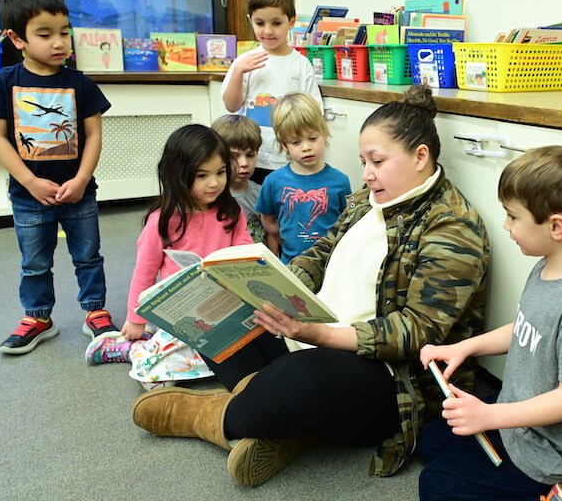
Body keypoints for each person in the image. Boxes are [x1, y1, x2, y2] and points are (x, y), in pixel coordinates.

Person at [130, 84, 490, 487]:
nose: (367, 173)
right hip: (313, 333)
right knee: (217, 322)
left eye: (377, 161)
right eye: (363, 161)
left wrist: (321, 335)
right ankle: (285, 423)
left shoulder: (453, 228)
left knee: (303, 377)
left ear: (420, 157)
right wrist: (272, 285)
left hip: (387, 378)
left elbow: (418, 332)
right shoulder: (366, 200)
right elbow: (319, 253)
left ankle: (212, 416)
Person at [417, 146, 562, 501]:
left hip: (549, 452)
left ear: (556, 226)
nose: (506, 226)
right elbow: (524, 328)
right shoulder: (546, 265)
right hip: (516, 419)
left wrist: (489, 416)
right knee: (431, 441)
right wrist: (465, 347)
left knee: (434, 486)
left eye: (513, 217)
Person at [85, 124, 288, 389]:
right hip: (182, 316)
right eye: (202, 175)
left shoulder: (231, 212)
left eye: (220, 172)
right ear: (178, 175)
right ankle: (130, 348)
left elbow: (244, 255)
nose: (214, 183)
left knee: (264, 348)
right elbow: (144, 273)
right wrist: (136, 321)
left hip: (227, 309)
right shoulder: (162, 222)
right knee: (166, 370)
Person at [0, 0, 119, 355]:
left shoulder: (80, 83)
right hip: (28, 196)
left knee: (88, 256)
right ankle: (38, 317)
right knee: (35, 261)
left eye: (64, 32)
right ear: (16, 38)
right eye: (45, 34)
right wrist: (30, 181)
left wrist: (82, 178)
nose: (59, 42)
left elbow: (93, 135)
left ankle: (95, 312)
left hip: (79, 192)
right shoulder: (4, 83)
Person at [220, 0, 322, 183]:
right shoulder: (244, 62)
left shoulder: (301, 64)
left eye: (276, 23)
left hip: (287, 157)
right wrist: (238, 72)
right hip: (251, 157)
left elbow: (314, 113)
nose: (267, 30)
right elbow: (231, 106)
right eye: (260, 23)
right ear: (250, 20)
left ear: (291, 21)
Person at [255, 92, 351, 264]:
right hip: (291, 265)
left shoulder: (341, 181)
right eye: (295, 142)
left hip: (331, 267)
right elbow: (268, 221)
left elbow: (348, 225)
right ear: (284, 145)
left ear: (325, 134)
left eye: (312, 138)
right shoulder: (273, 182)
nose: (306, 147)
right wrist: (287, 242)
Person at [210, 113, 275, 254]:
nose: (244, 163)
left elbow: (271, 233)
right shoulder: (211, 196)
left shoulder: (262, 193)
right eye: (234, 157)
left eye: (250, 155)